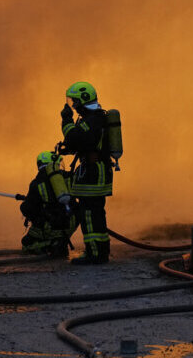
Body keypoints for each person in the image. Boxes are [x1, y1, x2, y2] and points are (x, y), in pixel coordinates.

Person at [58, 81, 112, 265]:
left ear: (83, 99)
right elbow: (80, 143)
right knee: (94, 213)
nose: (73, 105)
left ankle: (95, 254)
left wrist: (66, 120)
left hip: (94, 172)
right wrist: (67, 149)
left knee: (89, 213)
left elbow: (74, 137)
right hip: (93, 170)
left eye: (74, 101)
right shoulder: (91, 119)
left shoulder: (93, 120)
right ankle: (99, 251)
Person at [19, 151, 78, 257]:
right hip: (71, 223)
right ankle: (60, 241)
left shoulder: (37, 183)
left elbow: (28, 209)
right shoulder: (68, 177)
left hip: (52, 227)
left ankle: (53, 245)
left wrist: (26, 204)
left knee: (27, 244)